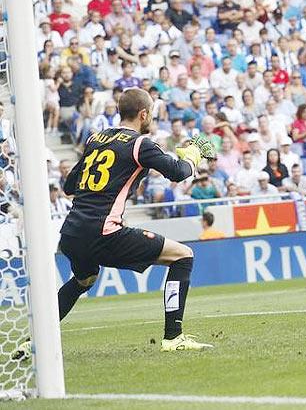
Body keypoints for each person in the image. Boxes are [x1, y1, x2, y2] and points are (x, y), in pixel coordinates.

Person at [48, 89, 216, 355]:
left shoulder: (96, 139)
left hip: (71, 232)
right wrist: (193, 156)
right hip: (104, 231)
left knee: (85, 278)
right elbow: (177, 172)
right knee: (183, 256)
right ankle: (174, 337)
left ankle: (36, 338)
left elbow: (69, 186)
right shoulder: (140, 144)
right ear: (144, 114)